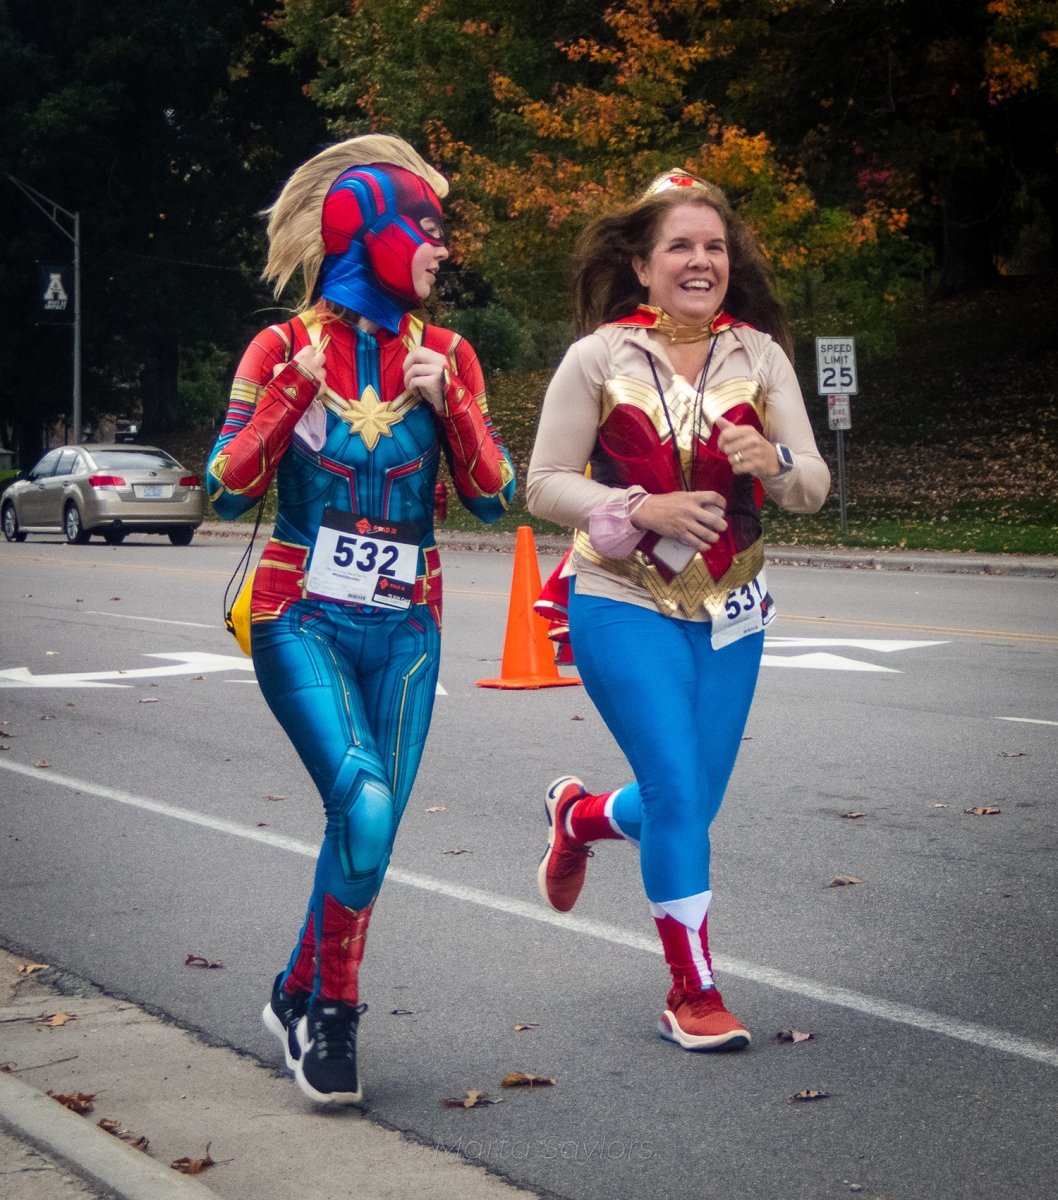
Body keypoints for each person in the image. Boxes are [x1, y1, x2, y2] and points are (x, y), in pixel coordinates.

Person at [207, 134, 515, 1104]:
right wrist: (289, 397)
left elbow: (498, 503)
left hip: (409, 629)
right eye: (424, 228)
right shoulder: (281, 348)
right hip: (299, 614)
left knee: (366, 829)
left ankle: (297, 991)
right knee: (366, 806)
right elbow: (223, 491)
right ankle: (332, 1012)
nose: (440, 248)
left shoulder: (449, 356)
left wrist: (457, 410)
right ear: (368, 231)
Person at [526, 169, 829, 1052]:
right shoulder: (597, 356)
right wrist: (637, 509)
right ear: (642, 262)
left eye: (714, 247)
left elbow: (811, 486)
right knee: (675, 790)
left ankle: (579, 817)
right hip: (622, 597)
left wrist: (770, 457)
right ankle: (693, 992)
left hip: (733, 607)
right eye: (681, 247)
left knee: (692, 803)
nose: (702, 262)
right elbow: (542, 484)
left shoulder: (761, 355)